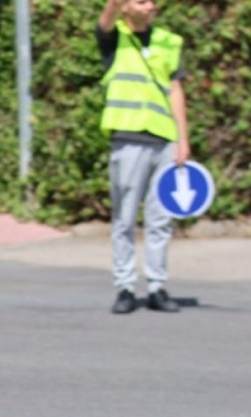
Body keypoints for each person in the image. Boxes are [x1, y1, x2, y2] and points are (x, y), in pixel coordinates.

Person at [97, 0, 189, 314]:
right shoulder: (113, 37)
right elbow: (106, 16)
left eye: (152, 1)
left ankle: (156, 287)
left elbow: (175, 90)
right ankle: (124, 287)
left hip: (163, 140)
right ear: (125, 7)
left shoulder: (168, 41)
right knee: (124, 218)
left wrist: (182, 139)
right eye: (142, 0)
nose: (150, 6)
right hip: (128, 140)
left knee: (160, 218)